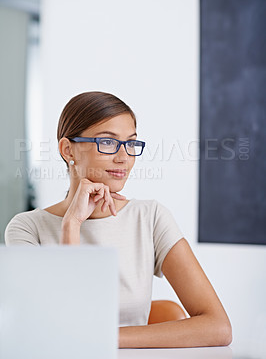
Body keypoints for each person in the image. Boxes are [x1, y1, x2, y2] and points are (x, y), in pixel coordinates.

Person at [5, 91, 232, 348]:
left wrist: (103, 337)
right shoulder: (26, 229)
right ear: (68, 150)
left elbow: (218, 326)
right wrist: (71, 226)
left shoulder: (150, 217)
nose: (124, 157)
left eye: (131, 143)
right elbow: (57, 326)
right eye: (108, 142)